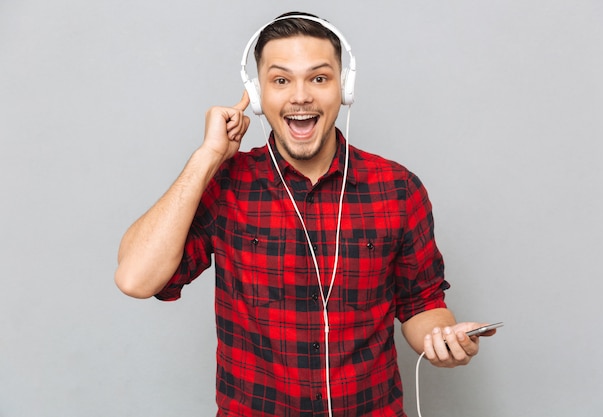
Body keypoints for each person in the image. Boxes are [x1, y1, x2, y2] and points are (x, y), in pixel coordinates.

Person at [115, 11, 496, 416]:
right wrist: (206, 158)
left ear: (343, 89)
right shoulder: (226, 185)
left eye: (319, 78)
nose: (300, 96)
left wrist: (442, 340)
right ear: (259, 95)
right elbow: (136, 278)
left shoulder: (398, 188)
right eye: (281, 80)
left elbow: (422, 303)